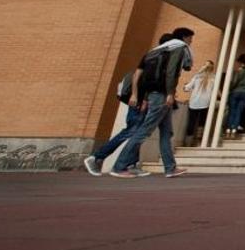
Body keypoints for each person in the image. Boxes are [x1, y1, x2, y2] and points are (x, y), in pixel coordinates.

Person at [83, 35, 175, 176]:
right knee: (132, 131)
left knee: (137, 131)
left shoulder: (154, 55)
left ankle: (131, 164)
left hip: (142, 100)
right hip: (139, 102)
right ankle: (96, 157)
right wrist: (139, 97)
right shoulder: (156, 57)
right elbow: (138, 76)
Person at [109, 28, 195, 179]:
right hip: (162, 95)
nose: (191, 41)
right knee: (145, 130)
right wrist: (170, 93)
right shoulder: (179, 48)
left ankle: (170, 168)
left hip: (155, 94)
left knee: (166, 132)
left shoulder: (159, 50)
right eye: (190, 38)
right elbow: (171, 72)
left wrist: (147, 97)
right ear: (184, 37)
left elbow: (149, 75)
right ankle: (119, 166)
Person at [183, 60, 214, 145]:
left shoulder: (197, 76)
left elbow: (187, 88)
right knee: (202, 123)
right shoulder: (213, 78)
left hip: (194, 103)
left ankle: (188, 142)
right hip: (206, 103)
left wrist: (184, 86)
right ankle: (199, 141)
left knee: (191, 122)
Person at [224, 54, 245, 138]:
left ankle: (229, 129)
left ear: (239, 62)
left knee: (232, 111)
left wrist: (229, 89)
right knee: (239, 112)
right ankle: (234, 130)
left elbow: (234, 82)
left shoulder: (238, 71)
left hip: (235, 92)